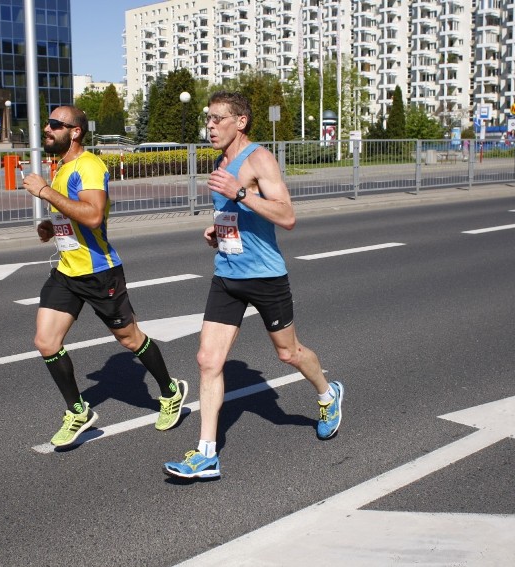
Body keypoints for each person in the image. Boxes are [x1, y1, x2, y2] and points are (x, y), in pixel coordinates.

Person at [163, 92, 343, 480]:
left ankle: (328, 394)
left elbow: (288, 216)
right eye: (207, 119)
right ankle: (207, 453)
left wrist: (240, 193)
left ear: (240, 121)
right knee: (207, 361)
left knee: (289, 353)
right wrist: (219, 226)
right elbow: (235, 211)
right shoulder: (221, 159)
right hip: (227, 275)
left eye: (217, 119)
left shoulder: (259, 159)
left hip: (265, 276)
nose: (209, 126)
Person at [22, 105, 187, 446]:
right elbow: (73, 214)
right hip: (68, 271)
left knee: (129, 339)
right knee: (46, 341)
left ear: (75, 131)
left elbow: (94, 216)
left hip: (100, 273)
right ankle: (79, 411)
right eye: (48, 123)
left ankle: (170, 391)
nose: (47, 129)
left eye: (55, 124)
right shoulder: (63, 168)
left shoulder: (89, 166)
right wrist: (51, 227)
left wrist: (44, 192)